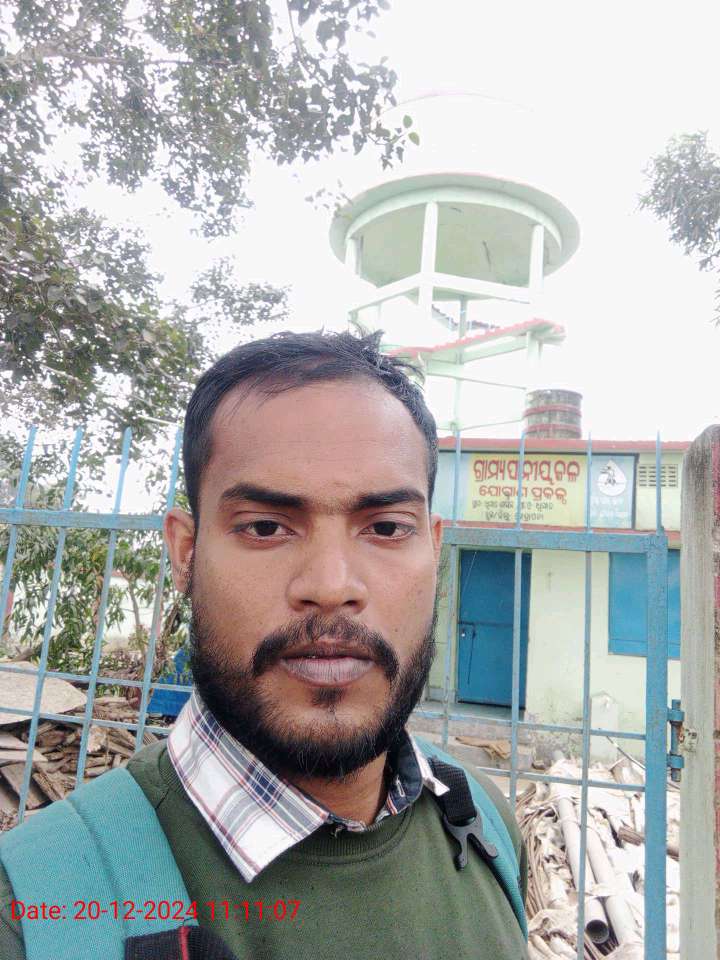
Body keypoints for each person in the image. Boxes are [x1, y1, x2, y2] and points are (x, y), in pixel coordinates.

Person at [0, 330, 528, 960]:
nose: (331, 587)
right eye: (266, 526)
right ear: (186, 554)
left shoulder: (485, 823)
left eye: (387, 527)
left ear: (434, 552)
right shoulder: (33, 914)